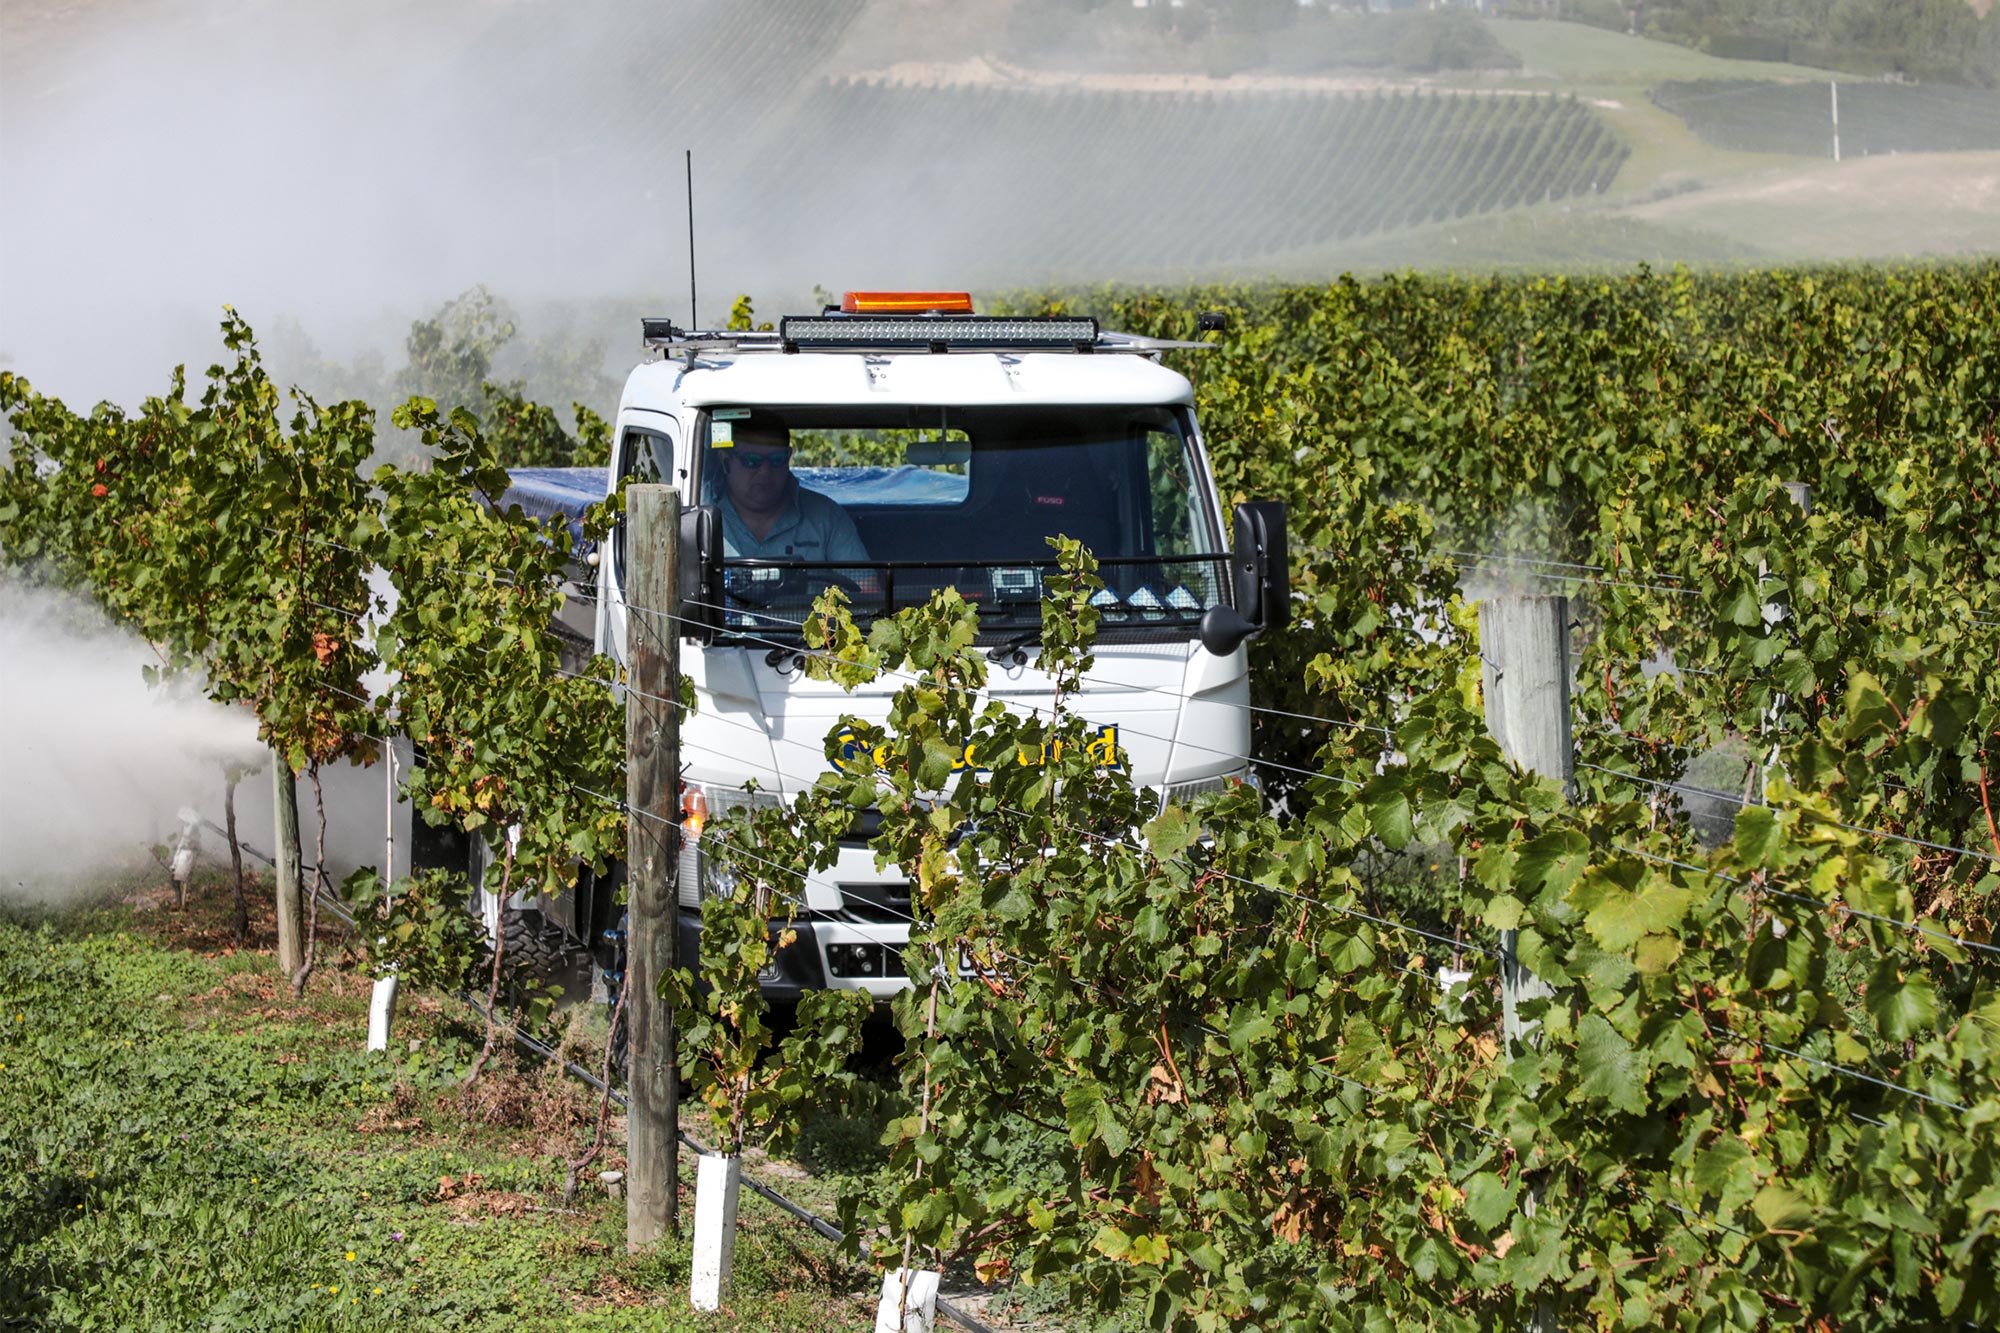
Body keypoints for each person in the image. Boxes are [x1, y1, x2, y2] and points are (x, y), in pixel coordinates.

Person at [712, 417, 871, 568]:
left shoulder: (826, 517)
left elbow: (867, 591)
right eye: (752, 461)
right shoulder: (702, 519)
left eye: (777, 459)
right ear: (726, 461)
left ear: (788, 457)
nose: (765, 472)